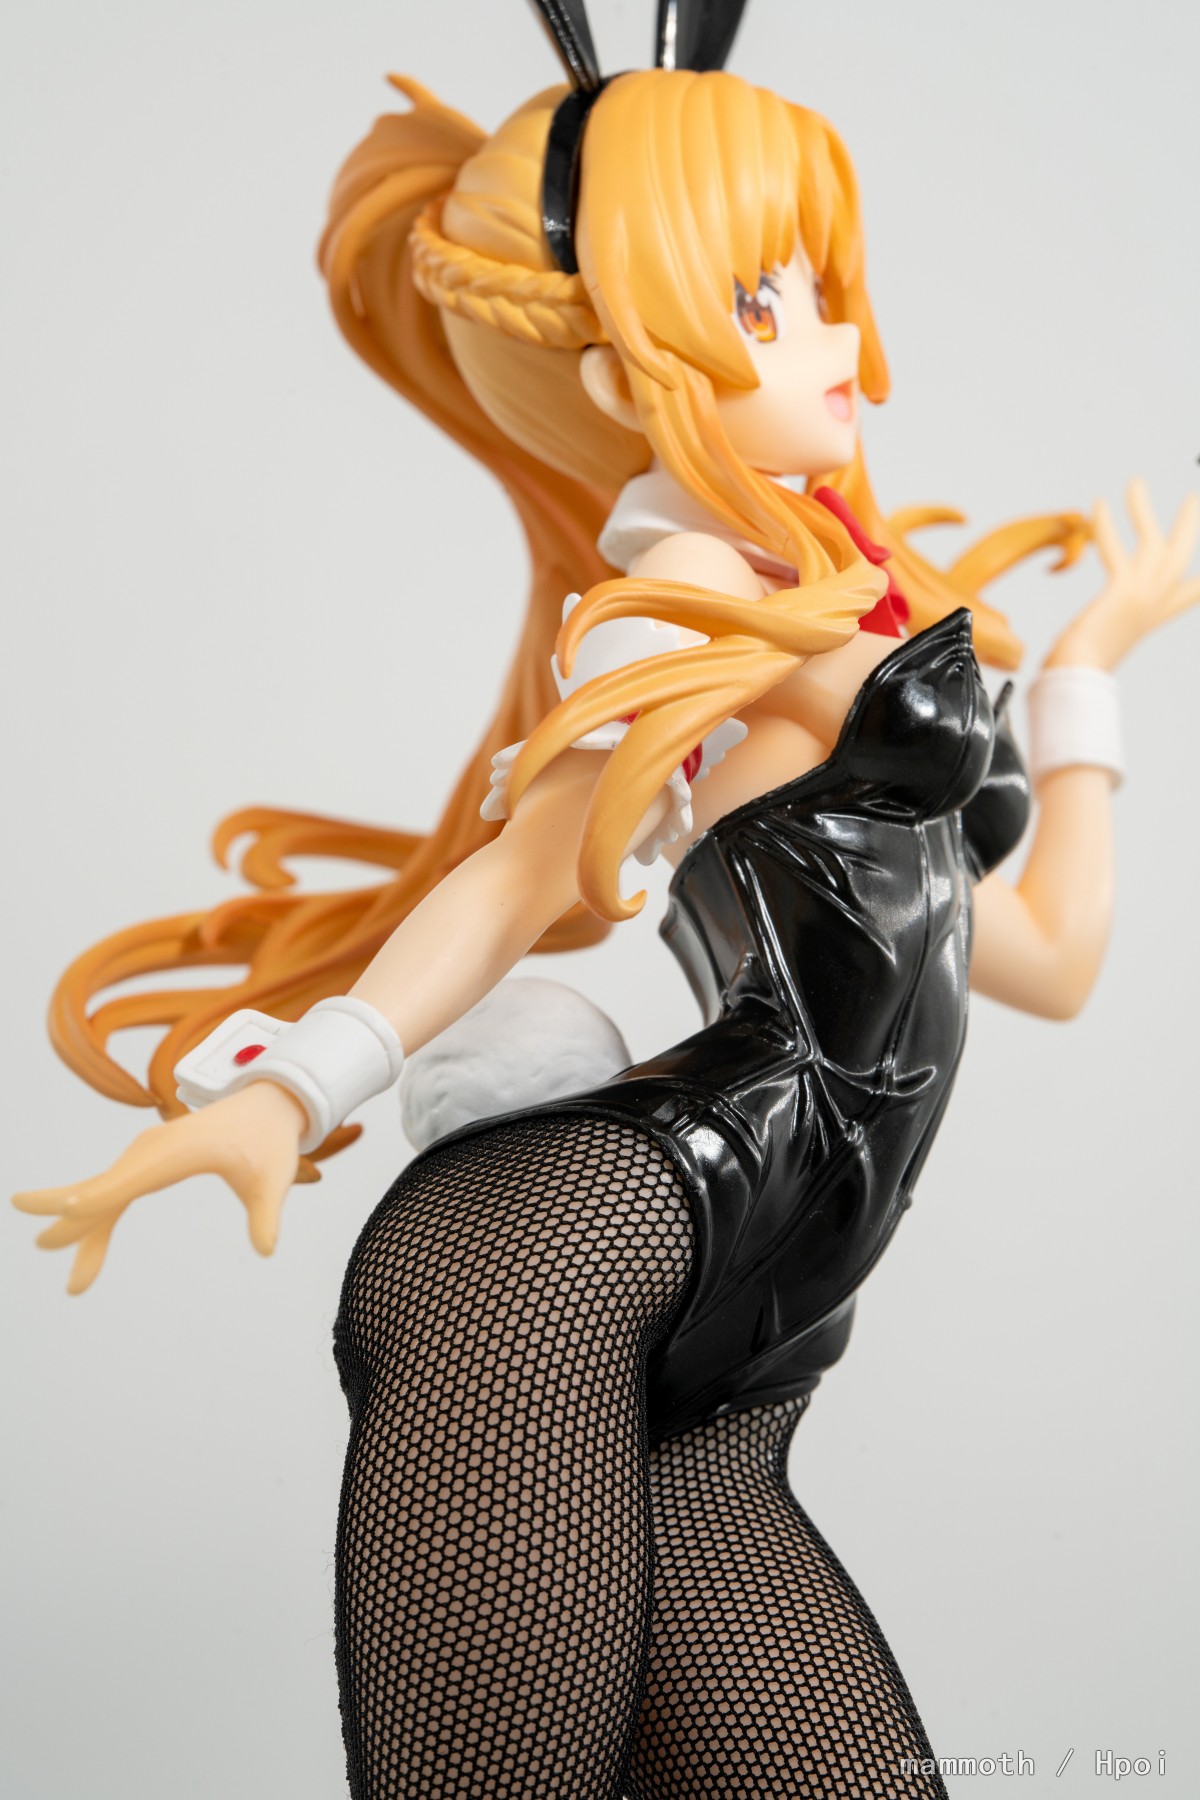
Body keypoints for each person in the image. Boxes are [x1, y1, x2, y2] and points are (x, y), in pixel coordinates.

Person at [14, 33, 1199, 1800]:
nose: (837, 343)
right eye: (763, 302)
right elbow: (522, 870)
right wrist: (298, 1083)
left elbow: (1051, 959)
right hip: (564, 1260)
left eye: (827, 289)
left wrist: (1089, 673)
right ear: (626, 355)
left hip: (743, 1342)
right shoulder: (688, 587)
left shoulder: (832, 587)